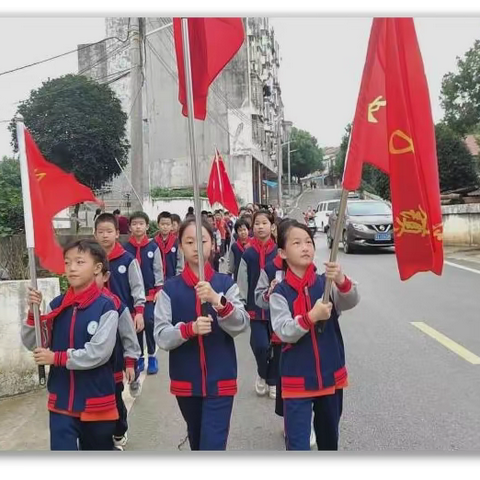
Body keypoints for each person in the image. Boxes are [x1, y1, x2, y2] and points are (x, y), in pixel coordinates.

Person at [154, 218, 249, 451]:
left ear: (213, 244)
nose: (196, 247)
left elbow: (241, 324)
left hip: (221, 379)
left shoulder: (225, 284)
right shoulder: (170, 289)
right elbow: (161, 335)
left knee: (213, 444)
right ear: (181, 247)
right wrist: (189, 329)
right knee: (197, 441)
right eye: (189, 241)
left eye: (202, 240)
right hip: (186, 381)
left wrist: (218, 301)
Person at [269, 220, 360, 451]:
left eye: (308, 242)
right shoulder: (280, 293)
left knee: (329, 441)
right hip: (296, 380)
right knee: (297, 444)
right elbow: (284, 330)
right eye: (296, 243)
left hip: (330, 378)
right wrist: (311, 317)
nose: (305, 247)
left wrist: (341, 280)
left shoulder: (325, 284)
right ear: (282, 252)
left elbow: (350, 301)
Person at [21, 239, 119, 451]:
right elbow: (35, 344)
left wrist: (57, 358)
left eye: (79, 262)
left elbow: (99, 352)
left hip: (96, 399)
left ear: (97, 268)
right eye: (67, 262)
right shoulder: (57, 305)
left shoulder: (106, 306)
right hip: (61, 399)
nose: (72, 268)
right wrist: (34, 314)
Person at [94, 213, 146, 450]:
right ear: (95, 235)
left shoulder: (126, 259)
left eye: (109, 231)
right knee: (102, 384)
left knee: (116, 387)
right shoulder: (90, 260)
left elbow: (137, 287)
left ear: (117, 233)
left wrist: (139, 311)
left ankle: (119, 428)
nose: (105, 236)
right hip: (96, 328)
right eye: (100, 232)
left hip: (121, 325)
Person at [237, 210, 277, 397]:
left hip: (278, 309)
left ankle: (273, 379)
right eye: (257, 223)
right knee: (260, 345)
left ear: (272, 226)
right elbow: (242, 280)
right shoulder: (249, 254)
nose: (260, 227)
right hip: (255, 308)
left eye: (264, 223)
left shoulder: (280, 252)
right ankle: (263, 373)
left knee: (278, 346)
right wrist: (242, 303)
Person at [124, 211, 164, 376]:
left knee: (148, 322)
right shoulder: (126, 248)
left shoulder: (153, 247)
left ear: (147, 226)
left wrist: (159, 289)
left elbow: (158, 269)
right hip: (131, 295)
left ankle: (152, 356)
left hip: (149, 294)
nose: (138, 227)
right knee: (135, 326)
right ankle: (139, 356)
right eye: (134, 224)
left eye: (141, 223)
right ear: (130, 227)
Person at [154, 211, 184, 280]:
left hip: (173, 279)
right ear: (158, 225)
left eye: (168, 224)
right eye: (162, 224)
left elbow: (180, 263)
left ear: (171, 226)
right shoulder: (153, 243)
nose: (165, 227)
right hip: (156, 281)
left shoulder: (177, 242)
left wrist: (177, 279)